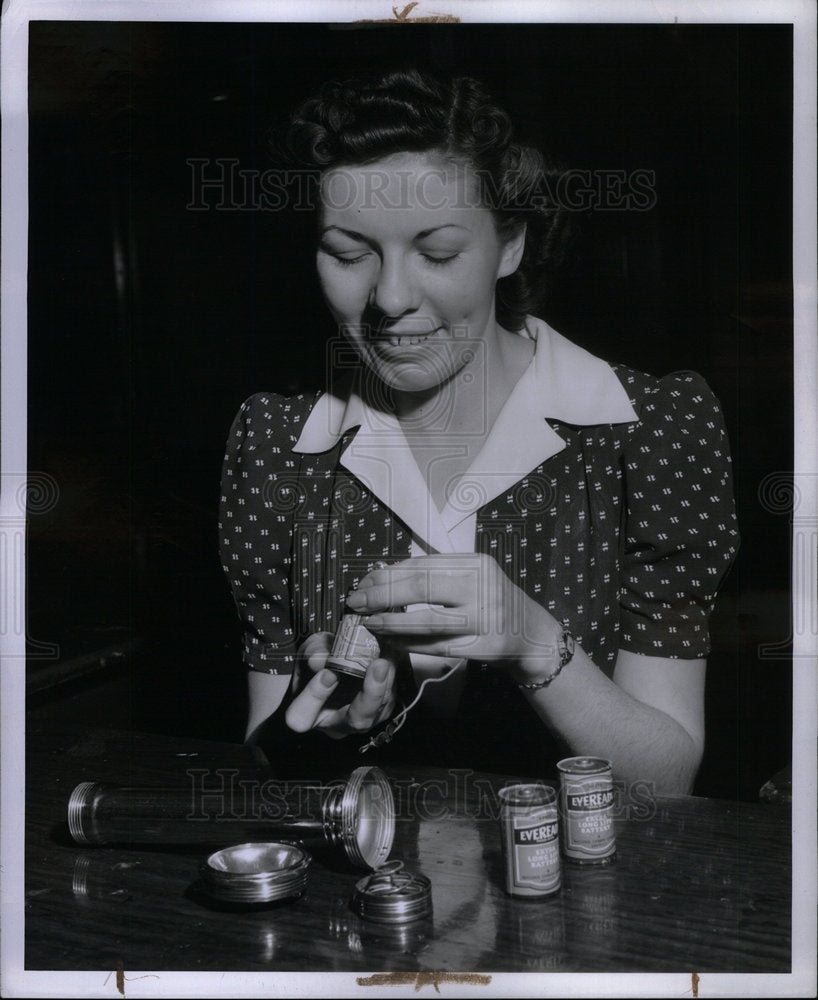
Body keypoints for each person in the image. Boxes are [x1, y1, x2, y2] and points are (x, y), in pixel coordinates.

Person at [219, 69, 739, 794]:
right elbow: (267, 770)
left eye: (437, 254)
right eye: (347, 252)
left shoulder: (649, 431)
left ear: (511, 245)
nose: (391, 298)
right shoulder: (278, 442)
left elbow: (665, 781)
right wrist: (327, 727)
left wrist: (532, 642)